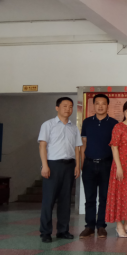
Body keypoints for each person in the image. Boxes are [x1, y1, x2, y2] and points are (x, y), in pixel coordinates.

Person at [38, 97, 82, 243]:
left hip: (69, 166)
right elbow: (42, 146)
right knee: (49, 200)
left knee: (65, 200)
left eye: (70, 106)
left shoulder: (73, 128)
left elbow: (77, 148)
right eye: (65, 106)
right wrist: (45, 165)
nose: (68, 109)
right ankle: (45, 232)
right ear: (57, 108)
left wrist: (77, 166)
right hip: (53, 165)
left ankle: (63, 230)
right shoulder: (48, 125)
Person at [79, 94, 118, 239]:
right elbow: (84, 144)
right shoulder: (87, 122)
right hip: (89, 164)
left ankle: (101, 226)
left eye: (103, 103)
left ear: (108, 106)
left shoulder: (114, 123)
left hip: (107, 164)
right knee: (90, 197)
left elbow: (116, 147)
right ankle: (89, 226)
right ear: (94, 105)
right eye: (97, 103)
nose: (100, 106)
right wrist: (81, 164)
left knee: (104, 197)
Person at [105, 101, 127, 238]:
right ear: (124, 112)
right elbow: (114, 147)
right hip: (121, 164)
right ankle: (119, 225)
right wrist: (119, 167)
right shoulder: (118, 127)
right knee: (120, 194)